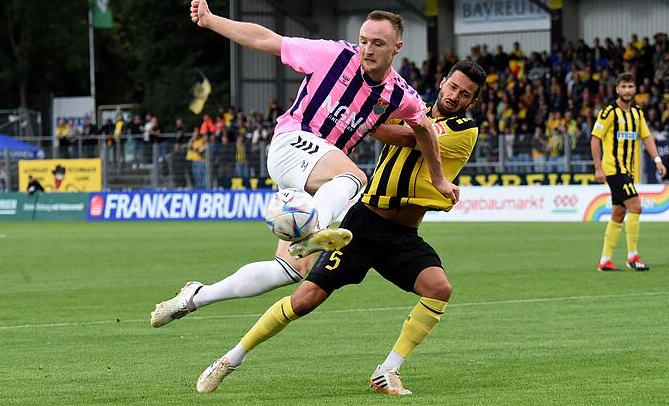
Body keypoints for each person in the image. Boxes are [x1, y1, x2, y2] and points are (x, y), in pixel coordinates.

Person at [149, 0, 458, 327]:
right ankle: (317, 230)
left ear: (396, 48)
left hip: (314, 178)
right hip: (291, 144)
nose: (367, 49)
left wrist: (438, 179)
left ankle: (197, 296)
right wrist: (211, 21)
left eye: (378, 43)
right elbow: (268, 40)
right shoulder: (335, 56)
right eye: (364, 40)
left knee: (288, 271)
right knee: (354, 178)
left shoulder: (399, 94)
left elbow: (423, 127)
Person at [193, 60, 486, 396]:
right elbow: (384, 123)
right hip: (362, 224)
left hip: (402, 235)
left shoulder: (464, 128)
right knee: (303, 301)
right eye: (453, 87)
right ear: (444, 81)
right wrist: (371, 117)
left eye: (465, 94)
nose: (455, 96)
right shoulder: (411, 107)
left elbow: (409, 136)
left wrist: (366, 120)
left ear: (472, 102)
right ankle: (231, 359)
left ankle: (388, 370)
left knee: (439, 288)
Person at [591, 72, 667, 272]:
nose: (627, 90)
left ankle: (605, 260)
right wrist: (598, 168)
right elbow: (595, 139)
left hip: (629, 170)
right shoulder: (609, 112)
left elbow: (647, 137)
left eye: (630, 87)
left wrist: (657, 159)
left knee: (618, 212)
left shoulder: (637, 113)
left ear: (635, 89)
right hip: (613, 170)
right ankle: (633, 256)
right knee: (636, 205)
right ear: (617, 89)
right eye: (623, 87)